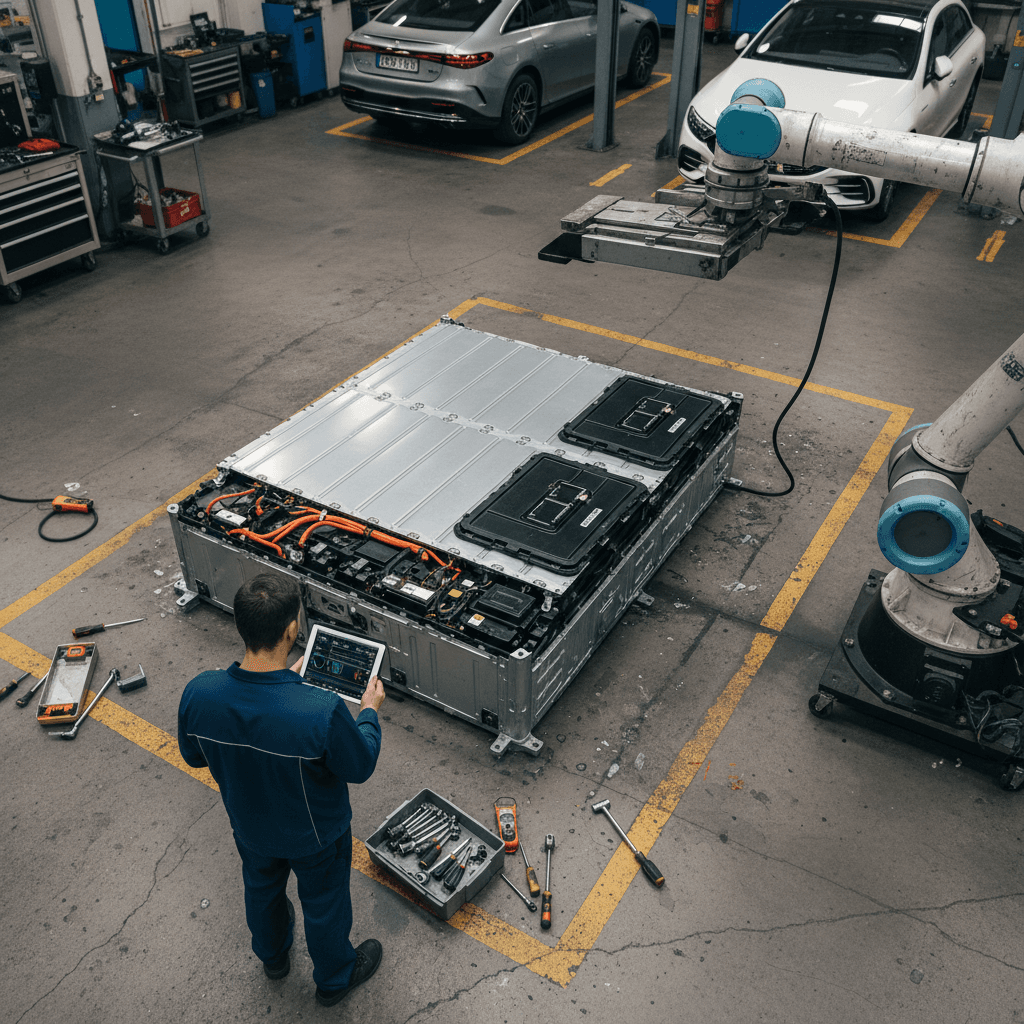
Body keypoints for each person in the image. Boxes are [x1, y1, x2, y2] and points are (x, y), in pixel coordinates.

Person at [177, 572, 385, 1007]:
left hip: (250, 828)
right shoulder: (321, 711)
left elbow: (196, 756)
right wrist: (368, 712)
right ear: (292, 630)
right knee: (324, 905)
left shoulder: (200, 693)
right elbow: (360, 765)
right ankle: (334, 979)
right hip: (316, 837)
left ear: (241, 624)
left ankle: (273, 958)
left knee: (262, 890)